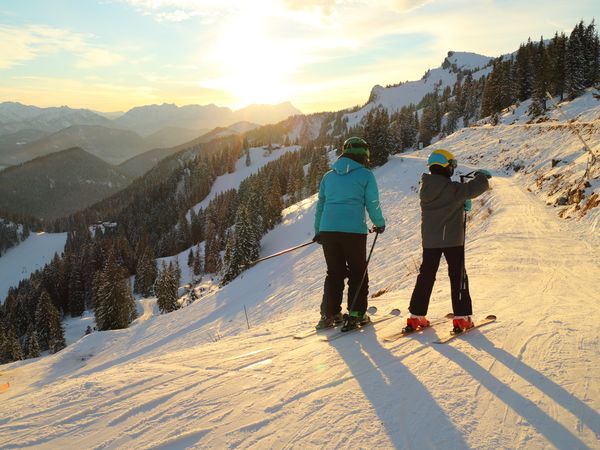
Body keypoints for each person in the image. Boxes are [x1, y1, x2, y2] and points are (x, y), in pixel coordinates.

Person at [406, 149, 491, 333]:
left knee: (426, 276)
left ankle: (415, 316)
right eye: (451, 166)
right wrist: (482, 177)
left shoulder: (425, 187)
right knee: (457, 275)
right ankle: (461, 317)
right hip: (452, 239)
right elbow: (474, 189)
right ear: (446, 166)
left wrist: (460, 202)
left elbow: (453, 198)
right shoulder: (452, 189)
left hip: (430, 240)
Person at [313, 137, 386, 331]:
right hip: (353, 231)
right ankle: (356, 313)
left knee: (334, 272)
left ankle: (329, 314)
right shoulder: (365, 175)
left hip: (328, 230)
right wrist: (379, 223)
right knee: (357, 271)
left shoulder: (329, 176)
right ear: (364, 155)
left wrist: (318, 230)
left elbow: (320, 204)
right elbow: (373, 203)